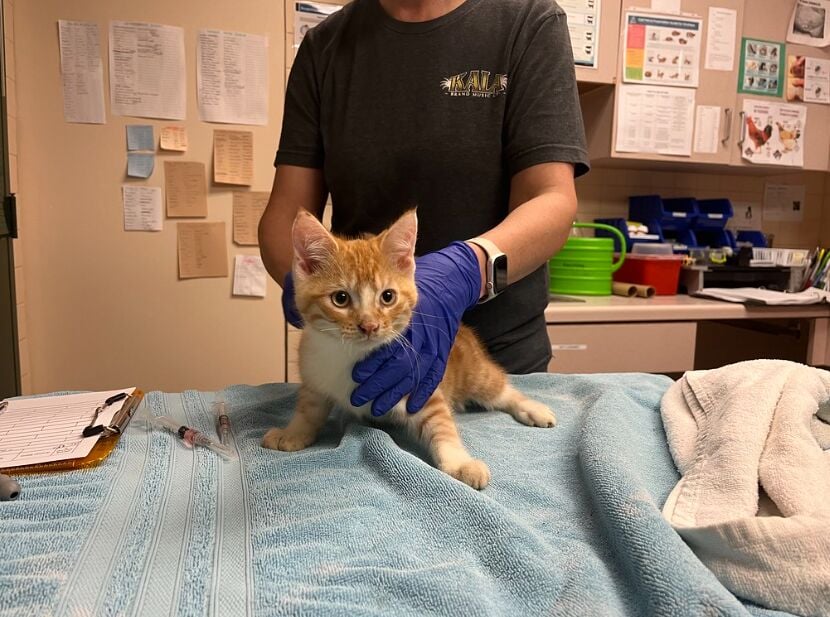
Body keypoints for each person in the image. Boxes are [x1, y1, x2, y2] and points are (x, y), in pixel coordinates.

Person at [259, 0, 589, 416]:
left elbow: (552, 200)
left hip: (494, 356)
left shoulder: (528, 23)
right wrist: (303, 277)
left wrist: (467, 269)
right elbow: (285, 213)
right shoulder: (326, 46)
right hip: (362, 350)